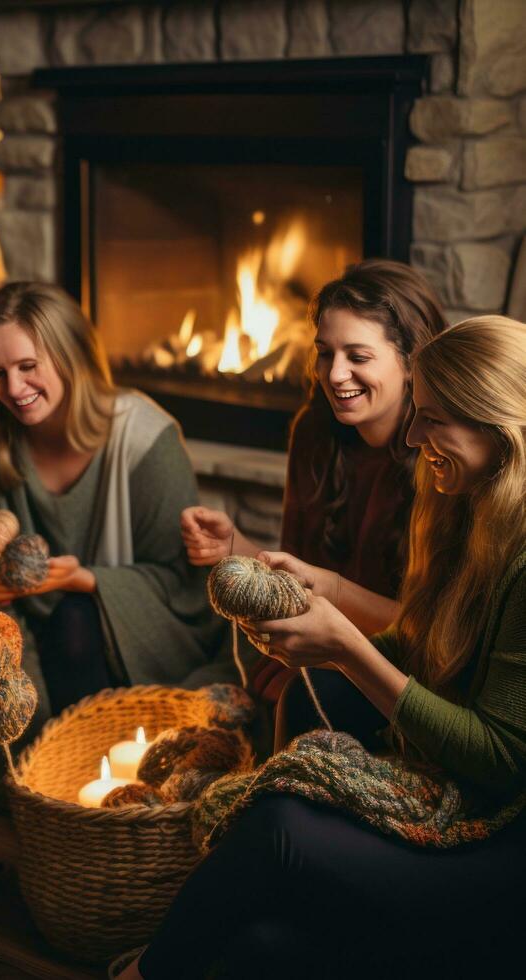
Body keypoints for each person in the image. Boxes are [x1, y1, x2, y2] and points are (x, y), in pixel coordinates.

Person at [114, 315, 526, 980]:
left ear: (499, 427)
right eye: (417, 415)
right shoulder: (471, 503)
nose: (415, 438)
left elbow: (502, 760)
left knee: (277, 826)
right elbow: (431, 643)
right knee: (261, 948)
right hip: (469, 790)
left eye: (434, 420)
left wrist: (347, 648)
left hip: (507, 844)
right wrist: (327, 634)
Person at [0, 281, 229, 719]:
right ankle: (43, 752)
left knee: (74, 620)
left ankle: (87, 750)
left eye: (28, 366)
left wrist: (86, 581)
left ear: (69, 357)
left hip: (136, 627)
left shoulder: (145, 438)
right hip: (27, 627)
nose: (14, 388)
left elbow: (187, 587)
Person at [181, 260, 447, 706]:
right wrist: (236, 547)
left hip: (398, 668)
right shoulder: (316, 432)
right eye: (326, 353)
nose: (334, 374)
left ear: (410, 362)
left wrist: (330, 606)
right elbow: (301, 576)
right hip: (313, 643)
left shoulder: (440, 457)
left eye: (358, 356)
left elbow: (431, 635)